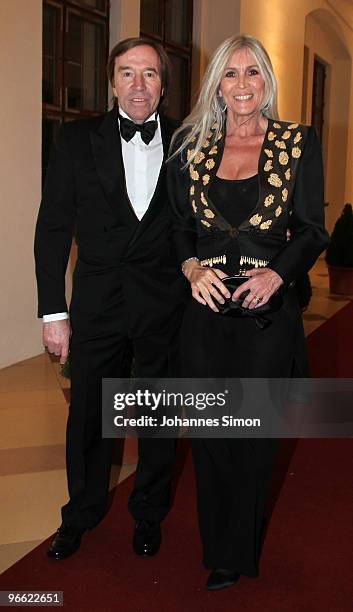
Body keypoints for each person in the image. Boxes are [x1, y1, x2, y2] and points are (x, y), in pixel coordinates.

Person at [168, 34, 328, 590]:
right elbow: (179, 227)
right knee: (210, 435)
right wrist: (190, 268)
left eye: (252, 73)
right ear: (217, 83)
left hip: (266, 313)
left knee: (253, 437)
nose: (241, 85)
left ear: (267, 81)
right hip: (205, 311)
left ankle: (239, 550)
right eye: (230, 74)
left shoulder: (297, 142)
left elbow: (312, 229)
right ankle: (219, 547)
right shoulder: (192, 147)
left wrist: (279, 272)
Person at [34, 37, 186, 560]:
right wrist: (53, 312)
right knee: (90, 417)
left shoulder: (189, 143)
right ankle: (80, 514)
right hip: (97, 306)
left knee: (158, 419)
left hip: (165, 306)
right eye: (127, 73)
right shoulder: (76, 141)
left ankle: (148, 514)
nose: (138, 85)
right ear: (111, 80)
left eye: (149, 74)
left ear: (164, 84)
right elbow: (52, 229)